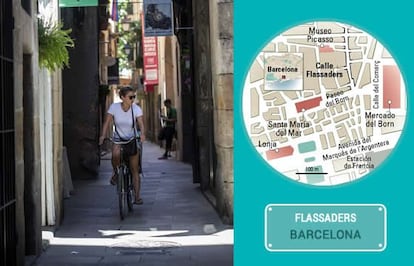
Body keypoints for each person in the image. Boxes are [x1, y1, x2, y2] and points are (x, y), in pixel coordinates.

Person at [99, 86, 146, 205]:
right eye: (131, 97)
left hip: (131, 139)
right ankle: (115, 172)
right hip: (118, 138)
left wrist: (142, 134)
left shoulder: (136, 109)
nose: (133, 99)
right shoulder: (114, 107)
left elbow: (140, 123)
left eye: (134, 97)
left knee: (134, 169)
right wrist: (102, 136)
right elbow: (107, 122)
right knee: (115, 155)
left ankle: (137, 196)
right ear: (122, 97)